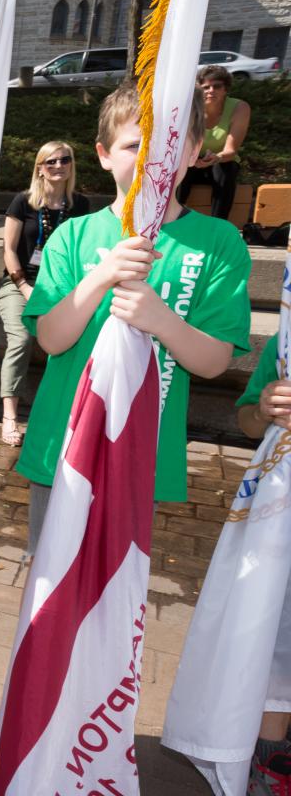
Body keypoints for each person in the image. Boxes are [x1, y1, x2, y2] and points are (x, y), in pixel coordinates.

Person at [16, 83, 251, 559]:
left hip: (141, 453)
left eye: (168, 144)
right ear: (104, 155)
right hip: (62, 447)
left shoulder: (219, 242)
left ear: (193, 152)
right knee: (49, 575)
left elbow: (213, 362)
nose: (150, 159)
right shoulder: (73, 236)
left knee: (113, 584)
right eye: (133, 145)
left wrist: (162, 320)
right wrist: (101, 276)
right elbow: (51, 339)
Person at [0, 141, 90, 446]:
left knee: (74, 340)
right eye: (51, 161)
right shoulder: (23, 202)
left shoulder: (80, 205)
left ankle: (64, 414)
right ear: (40, 168)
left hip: (60, 287)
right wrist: (25, 287)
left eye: (65, 160)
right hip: (19, 283)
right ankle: (10, 416)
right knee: (21, 338)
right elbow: (9, 251)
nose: (59, 166)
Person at [235, 338, 291, 795]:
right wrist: (265, 408)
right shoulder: (285, 339)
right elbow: (247, 421)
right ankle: (270, 758)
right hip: (280, 511)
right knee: (278, 629)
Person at [175, 65, 250, 222]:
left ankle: (218, 224)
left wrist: (216, 157)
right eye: (205, 87)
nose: (211, 91)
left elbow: (231, 151)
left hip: (222, 160)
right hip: (192, 160)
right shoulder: (190, 109)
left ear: (225, 89)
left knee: (224, 168)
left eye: (217, 86)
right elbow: (179, 145)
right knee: (180, 167)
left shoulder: (240, 108)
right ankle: (172, 222)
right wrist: (191, 159)